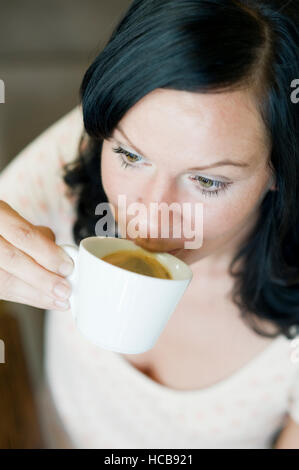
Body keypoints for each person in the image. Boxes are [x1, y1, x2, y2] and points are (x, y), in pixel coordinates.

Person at [0, 0, 298, 449]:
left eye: (206, 180)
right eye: (130, 156)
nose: (148, 214)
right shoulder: (81, 153)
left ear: (280, 169)